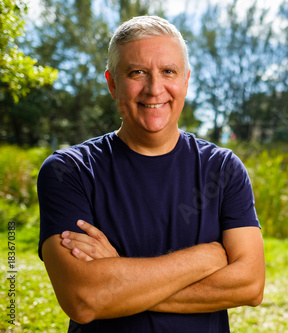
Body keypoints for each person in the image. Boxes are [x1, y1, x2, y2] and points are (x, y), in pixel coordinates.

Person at [37, 15, 265, 333]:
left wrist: (117, 282)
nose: (154, 88)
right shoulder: (69, 170)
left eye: (168, 71)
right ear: (112, 83)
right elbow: (83, 299)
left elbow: (250, 285)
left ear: (185, 80)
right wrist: (205, 258)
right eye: (137, 72)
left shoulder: (223, 169)